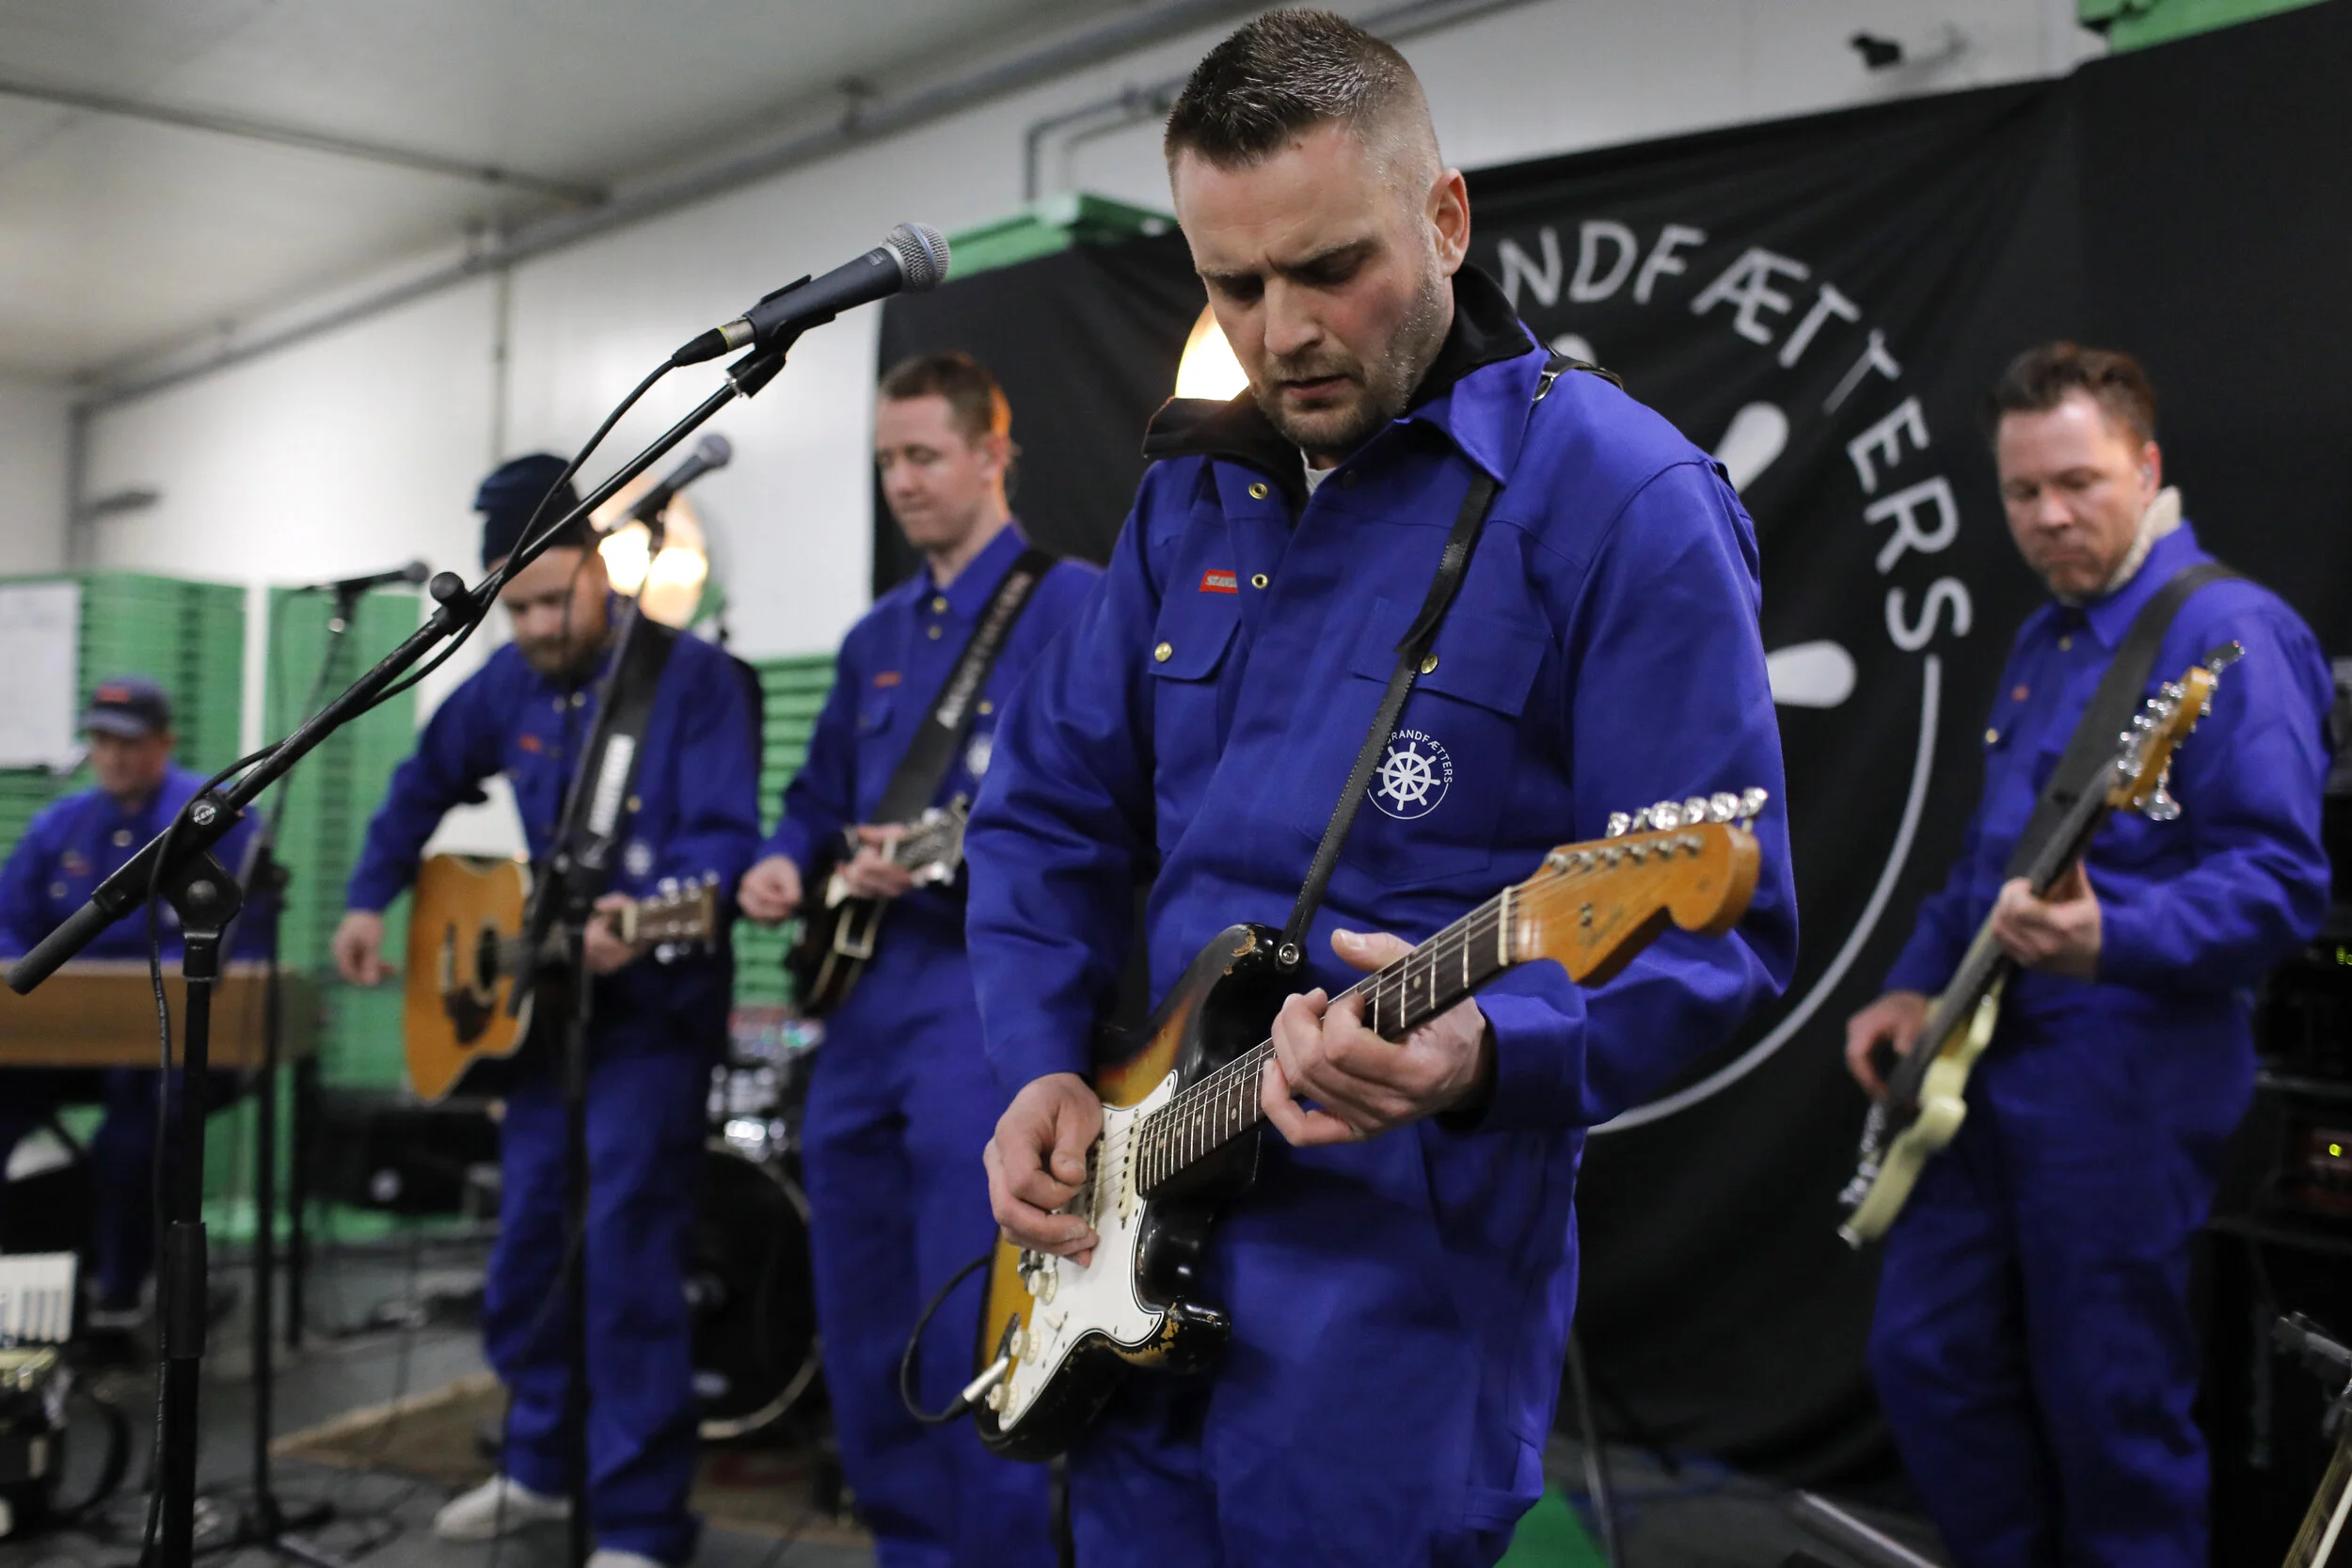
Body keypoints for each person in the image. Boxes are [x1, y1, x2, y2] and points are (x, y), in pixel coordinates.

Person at [964, 13, 1797, 1565]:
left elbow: (1723, 929)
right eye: (1234, 284)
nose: (1282, 333)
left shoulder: (1625, 499)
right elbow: (1049, 817)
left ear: (1446, 217)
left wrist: (1493, 1048)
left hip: (1395, 1310)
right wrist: (1031, 1060)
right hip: (1119, 1244)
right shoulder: (1187, 489)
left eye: (1329, 265)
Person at [1845, 343, 2332, 1567]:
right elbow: (1982, 860)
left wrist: (2114, 936)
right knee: (1928, 1356)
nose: (2051, 515)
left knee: (2110, 1402)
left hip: (2129, 1074)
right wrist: (1912, 979)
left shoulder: (2231, 636)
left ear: (2146, 466)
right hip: (1984, 1069)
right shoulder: (2042, 637)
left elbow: (2283, 883)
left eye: (2079, 481)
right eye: (2022, 493)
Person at [330, 455, 762, 1568]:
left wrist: (646, 911)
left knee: (625, 1257)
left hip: (653, 1015)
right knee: (527, 1251)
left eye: (548, 598)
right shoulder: (505, 687)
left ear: (602, 569)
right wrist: (370, 897)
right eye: (510, 605)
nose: (529, 624)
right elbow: (419, 784)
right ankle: (535, 1465)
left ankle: (635, 1520)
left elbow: (721, 845)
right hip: (539, 1023)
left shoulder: (691, 679)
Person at [737, 353, 1098, 1567]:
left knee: (973, 1298)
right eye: (886, 460)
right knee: (860, 1304)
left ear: (993, 454)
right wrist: (789, 860)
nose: (901, 481)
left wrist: (953, 864)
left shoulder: (1074, 605)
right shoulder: (875, 635)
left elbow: (1110, 809)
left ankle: (997, 1549)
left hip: (983, 1003)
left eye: (924, 455)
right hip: (860, 1003)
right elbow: (812, 795)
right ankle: (904, 1543)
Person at [0, 676, 262, 1327]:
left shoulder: (214, 819)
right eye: (101, 741)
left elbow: (234, 938)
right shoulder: (61, 823)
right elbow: (9, 920)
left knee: (137, 1125)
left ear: (165, 743)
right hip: (65, 1036)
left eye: (130, 741)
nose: (113, 756)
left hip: (168, 1042)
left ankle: (119, 1291)